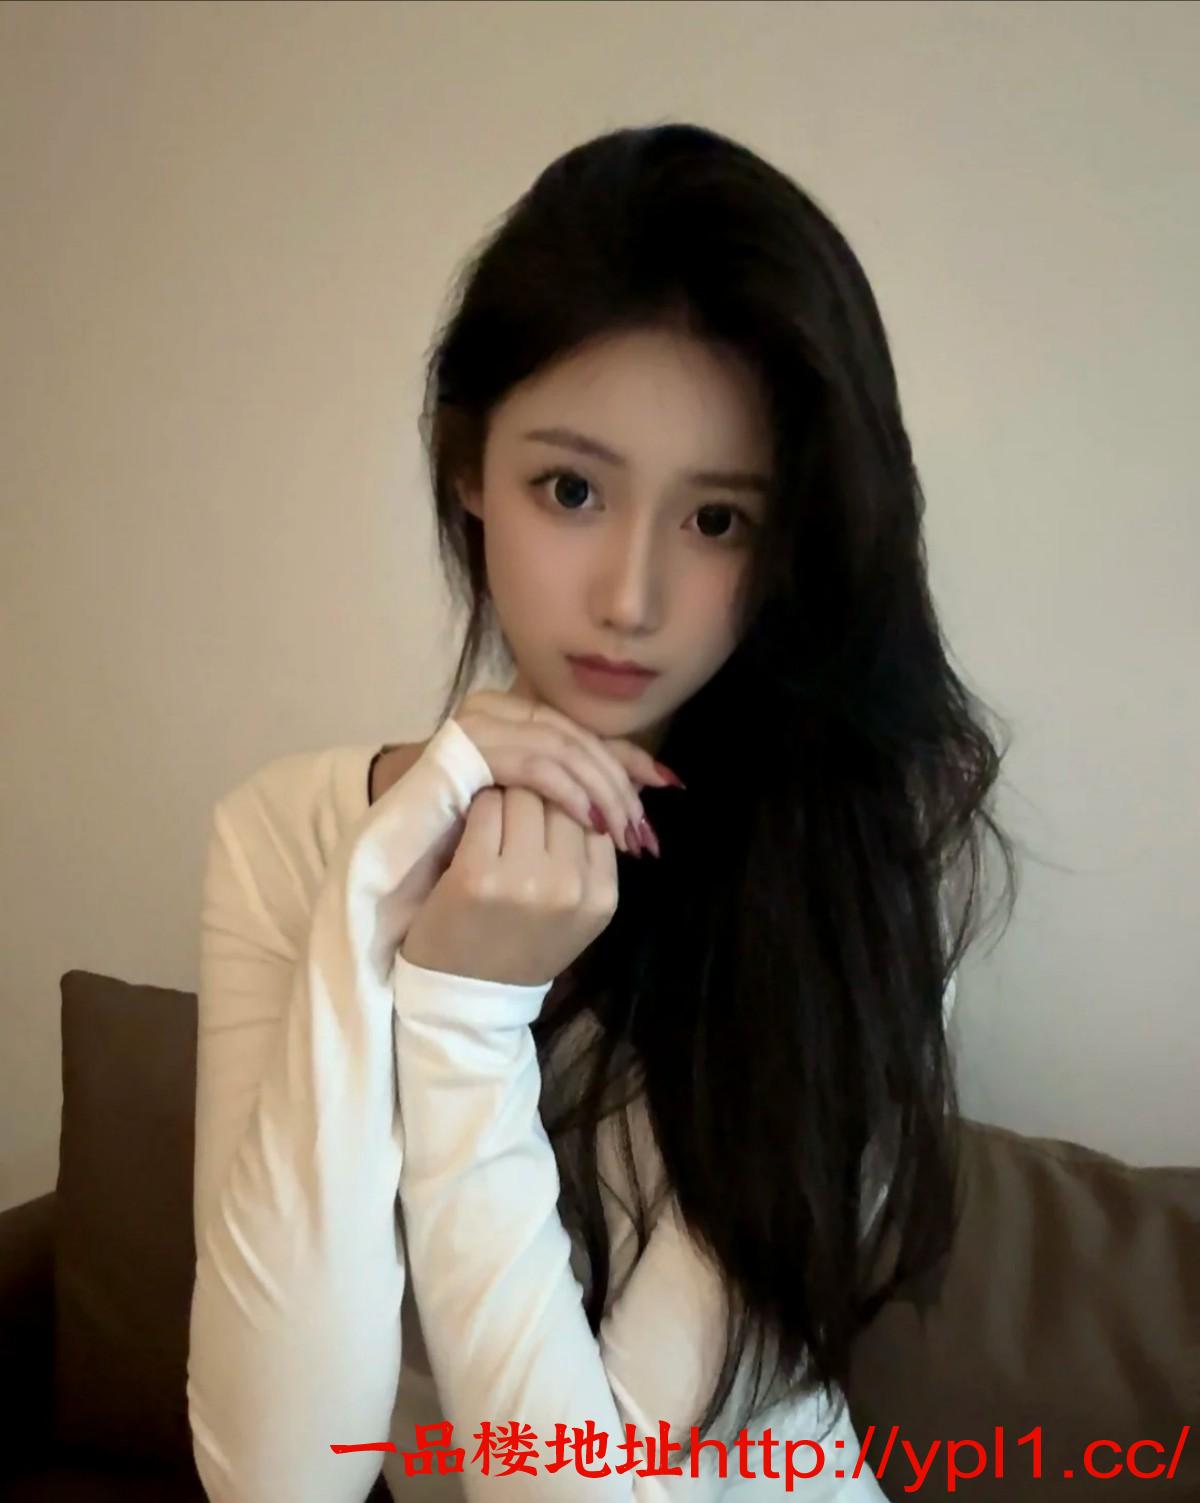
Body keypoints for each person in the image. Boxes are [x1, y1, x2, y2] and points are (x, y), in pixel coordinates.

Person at [186, 122, 1018, 1502]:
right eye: (571, 489)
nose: (630, 598)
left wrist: (465, 1016)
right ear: (468, 467)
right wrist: (376, 889)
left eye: (718, 520)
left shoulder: (854, 872)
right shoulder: (284, 836)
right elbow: (278, 1478)